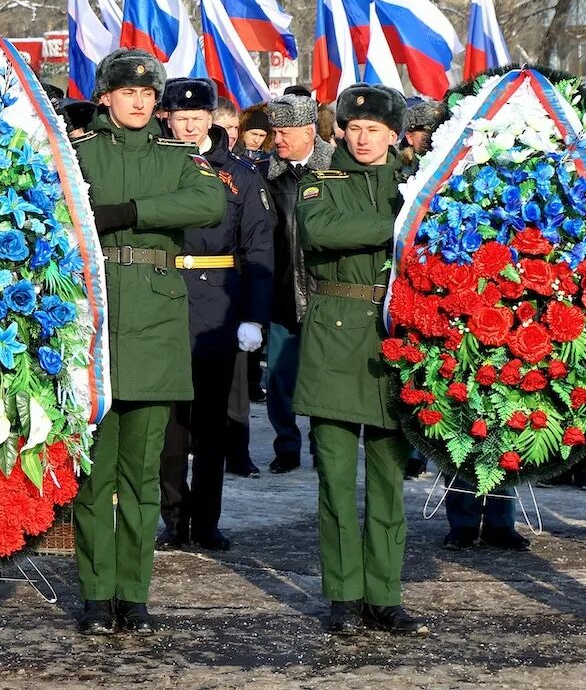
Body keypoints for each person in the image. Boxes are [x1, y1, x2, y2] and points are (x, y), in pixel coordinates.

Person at [70, 50, 226, 636]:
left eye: (147, 93)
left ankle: (133, 595)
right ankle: (94, 593)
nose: (138, 101)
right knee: (95, 474)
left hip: (157, 324)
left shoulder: (178, 156)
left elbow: (209, 203)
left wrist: (131, 211)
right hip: (96, 321)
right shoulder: (79, 156)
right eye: (126, 92)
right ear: (105, 97)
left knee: (143, 475)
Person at [295, 84, 424, 637]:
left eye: (375, 130)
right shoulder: (318, 182)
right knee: (336, 480)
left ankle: (384, 594)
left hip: (395, 345)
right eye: (354, 128)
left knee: (390, 482)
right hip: (333, 337)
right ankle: (344, 595)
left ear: (395, 135)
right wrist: (403, 225)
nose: (363, 137)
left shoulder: (415, 186)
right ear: (340, 130)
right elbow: (322, 233)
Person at [156, 79, 273, 553]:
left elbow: (259, 248)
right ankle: (174, 518)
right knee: (169, 425)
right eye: (180, 117)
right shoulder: (155, 166)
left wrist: (254, 316)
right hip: (162, 299)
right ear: (167, 117)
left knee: (210, 423)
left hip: (218, 305)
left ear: (212, 120)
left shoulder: (239, 175)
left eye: (198, 117)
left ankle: (206, 520)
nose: (188, 124)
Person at [263, 93, 331, 474]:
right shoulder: (266, 175)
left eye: (284, 132)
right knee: (280, 377)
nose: (278, 140)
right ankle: (286, 444)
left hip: (324, 296)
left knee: (322, 378)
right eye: (275, 132)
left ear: (308, 132)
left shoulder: (337, 170)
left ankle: (323, 445)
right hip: (282, 293)